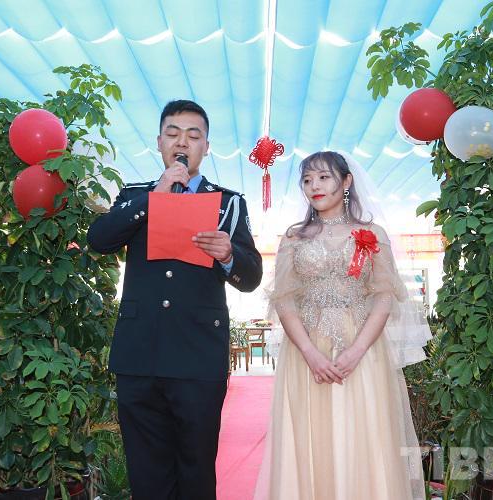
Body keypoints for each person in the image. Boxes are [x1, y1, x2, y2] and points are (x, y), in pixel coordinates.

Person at [87, 99, 263, 500]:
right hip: (139, 354)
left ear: (206, 147)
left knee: (196, 469)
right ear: (159, 143)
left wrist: (228, 255)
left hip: (198, 355)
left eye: (193, 135)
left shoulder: (229, 202)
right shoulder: (134, 195)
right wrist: (156, 196)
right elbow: (99, 239)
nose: (182, 142)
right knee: (146, 472)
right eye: (173, 133)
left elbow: (251, 277)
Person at [254, 151, 430, 500]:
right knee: (310, 435)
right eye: (307, 180)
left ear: (346, 181)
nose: (314, 186)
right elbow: (284, 300)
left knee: (363, 432)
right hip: (306, 350)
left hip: (363, 349)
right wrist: (309, 352)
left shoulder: (372, 233)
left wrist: (357, 350)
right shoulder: (293, 237)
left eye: (324, 177)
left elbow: (384, 297)